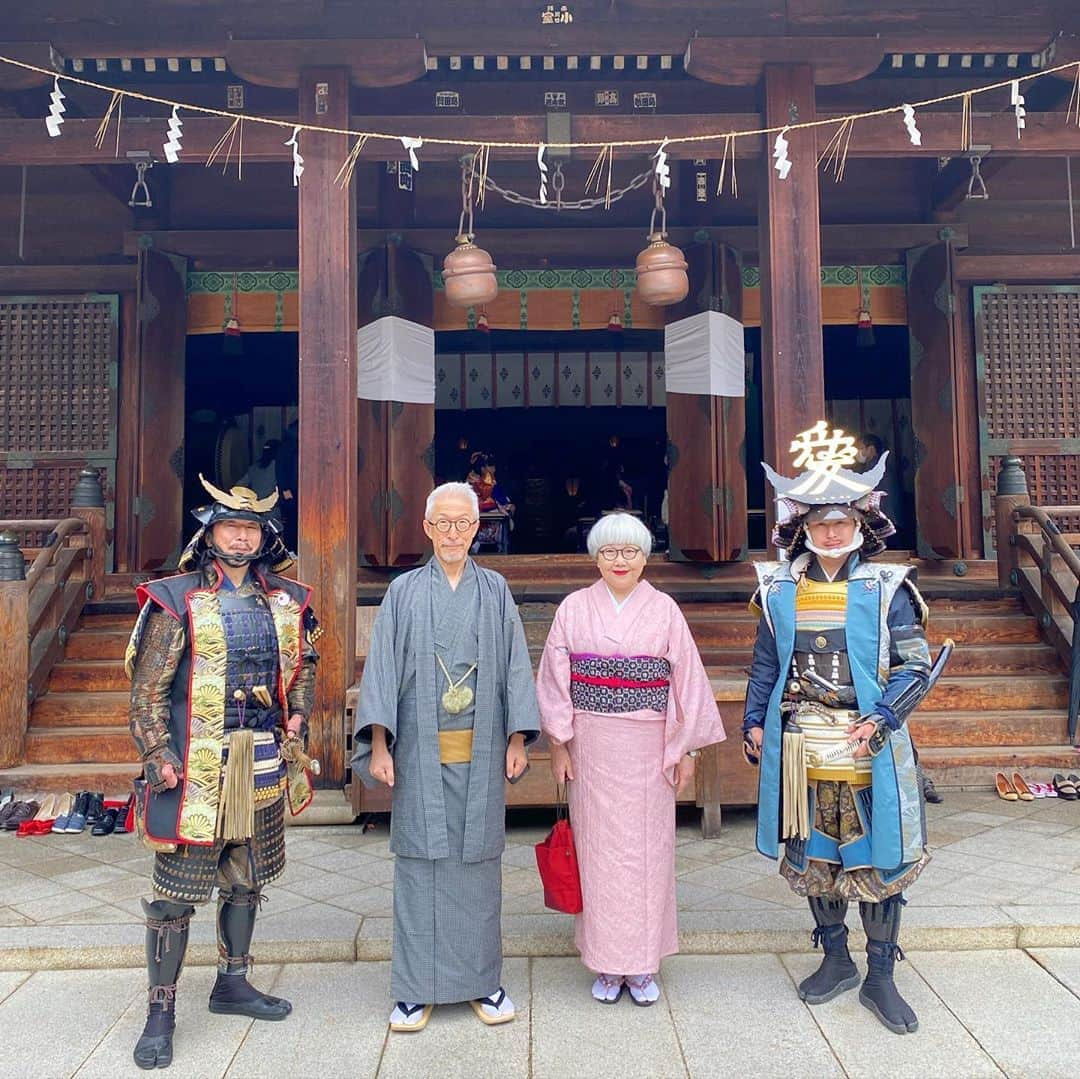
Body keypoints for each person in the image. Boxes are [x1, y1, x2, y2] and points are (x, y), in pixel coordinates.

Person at [742, 423, 933, 1035]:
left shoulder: (888, 589)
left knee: (877, 855)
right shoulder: (777, 589)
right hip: (800, 738)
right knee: (814, 848)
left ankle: (881, 973)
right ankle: (835, 959)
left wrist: (881, 717)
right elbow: (767, 664)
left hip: (867, 740)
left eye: (842, 520)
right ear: (802, 526)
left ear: (860, 526)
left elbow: (915, 666)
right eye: (820, 520)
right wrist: (752, 720)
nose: (831, 530)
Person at [125, 475, 319, 1070]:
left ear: (264, 536)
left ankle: (232, 982)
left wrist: (299, 718)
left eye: (251, 527)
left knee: (246, 873)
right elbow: (147, 689)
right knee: (177, 890)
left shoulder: (288, 600)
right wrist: (157, 753)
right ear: (210, 534)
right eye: (231, 526)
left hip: (259, 752)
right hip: (196, 761)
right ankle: (161, 1009)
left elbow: (306, 666)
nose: (241, 536)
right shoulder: (175, 597)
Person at [351, 482, 540, 1032]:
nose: (454, 532)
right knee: (418, 865)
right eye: (444, 523)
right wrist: (380, 744)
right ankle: (414, 990)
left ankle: (484, 982)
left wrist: (516, 739)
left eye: (464, 523)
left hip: (480, 753)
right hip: (418, 754)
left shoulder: (495, 589)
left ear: (478, 528)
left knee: (478, 866)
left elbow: (513, 666)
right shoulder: (405, 591)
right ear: (427, 528)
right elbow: (382, 667)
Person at [535, 513, 725, 1005]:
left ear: (645, 557)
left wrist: (687, 749)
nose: (620, 562)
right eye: (609, 552)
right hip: (592, 747)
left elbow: (686, 683)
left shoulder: (663, 610)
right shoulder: (574, 609)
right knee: (596, 853)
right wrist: (558, 743)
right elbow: (556, 680)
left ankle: (642, 965)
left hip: (648, 747)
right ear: (596, 557)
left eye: (630, 552)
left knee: (648, 854)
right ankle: (603, 961)